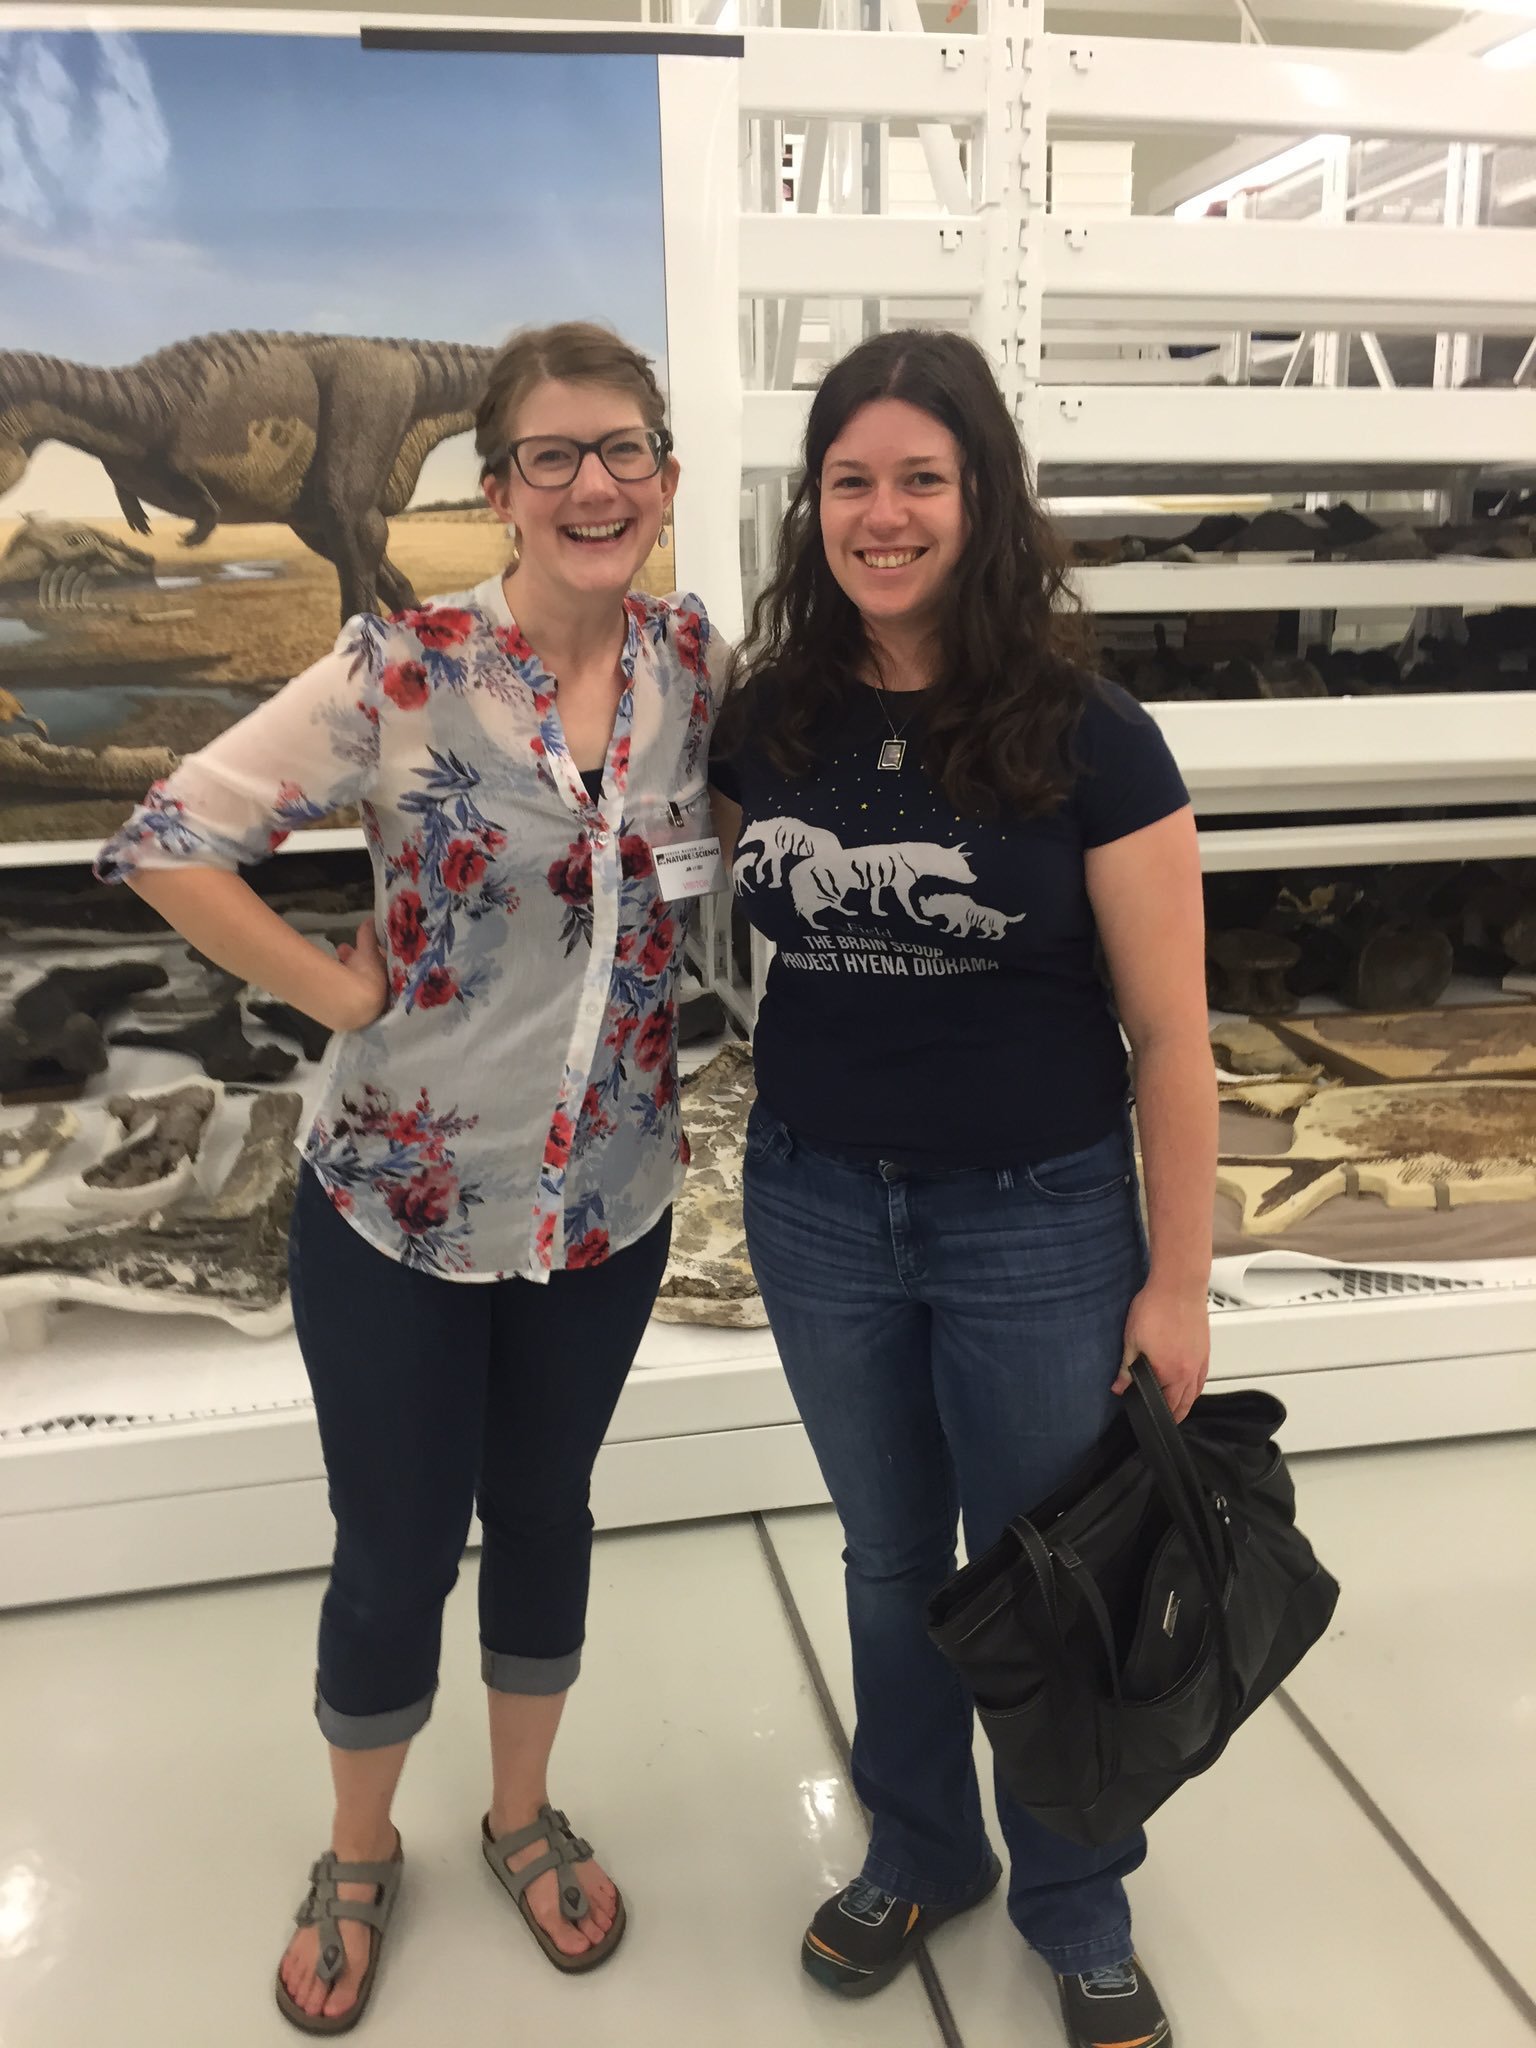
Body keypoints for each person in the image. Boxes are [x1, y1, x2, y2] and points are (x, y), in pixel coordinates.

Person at [95, 322, 721, 2034]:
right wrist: (338, 991)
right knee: (393, 1548)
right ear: (500, 487)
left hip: (607, 1208)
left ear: (665, 474)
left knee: (548, 1515)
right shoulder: (403, 667)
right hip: (399, 1210)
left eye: (624, 449)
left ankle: (519, 1813)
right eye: (551, 456)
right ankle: (358, 1847)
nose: (593, 484)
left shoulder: (697, 664)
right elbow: (170, 837)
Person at [708, 329, 1214, 2048]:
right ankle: (924, 1847)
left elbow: (1172, 1036)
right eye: (852, 480)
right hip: (818, 1207)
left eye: (922, 477)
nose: (886, 513)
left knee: (1046, 1570)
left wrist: (1179, 1282)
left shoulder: (1093, 737)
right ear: (815, 506)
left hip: (1036, 1220)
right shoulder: (771, 720)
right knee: (884, 1559)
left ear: (985, 497)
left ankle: (1080, 1902)